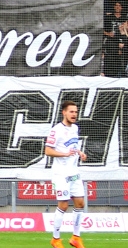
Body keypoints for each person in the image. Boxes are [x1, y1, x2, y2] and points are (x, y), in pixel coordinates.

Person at [45, 101, 88, 248]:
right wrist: (65, 153)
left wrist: (79, 152)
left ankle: (76, 237)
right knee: (63, 205)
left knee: (80, 203)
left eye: (75, 112)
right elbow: (48, 151)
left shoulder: (75, 128)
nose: (74, 114)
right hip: (61, 173)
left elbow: (72, 146)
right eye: (71, 112)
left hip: (74, 172)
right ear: (64, 112)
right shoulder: (56, 130)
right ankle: (55, 239)